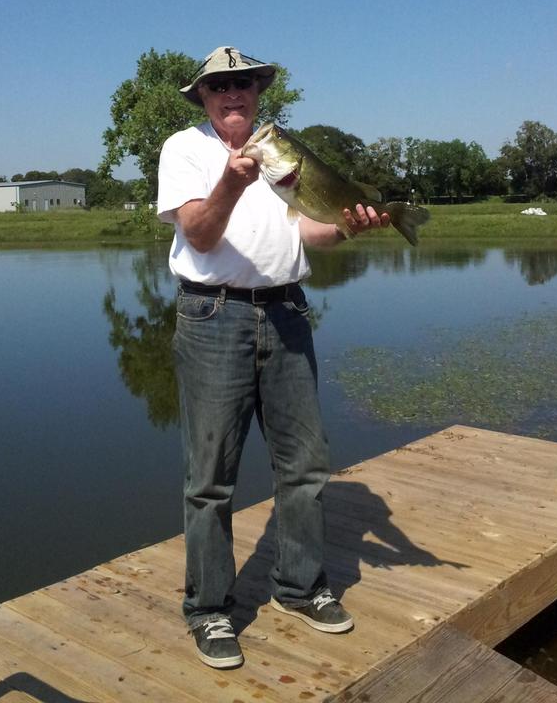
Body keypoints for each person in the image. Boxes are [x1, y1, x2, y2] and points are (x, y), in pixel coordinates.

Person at [157, 45, 389, 670]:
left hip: (288, 312)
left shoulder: (284, 151)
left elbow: (309, 229)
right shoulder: (185, 150)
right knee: (210, 478)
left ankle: (299, 588)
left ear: (259, 93)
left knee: (305, 464)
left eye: (246, 84)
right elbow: (200, 233)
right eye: (220, 87)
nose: (234, 94)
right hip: (212, 316)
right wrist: (232, 182)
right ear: (203, 98)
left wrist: (349, 225)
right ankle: (209, 609)